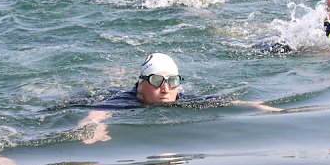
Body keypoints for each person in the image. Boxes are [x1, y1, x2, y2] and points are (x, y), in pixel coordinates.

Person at [77, 53, 279, 143]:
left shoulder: (182, 98)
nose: (165, 88)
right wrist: (95, 126)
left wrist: (261, 107)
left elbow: (226, 101)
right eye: (157, 81)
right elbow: (99, 111)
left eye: (172, 81)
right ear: (141, 86)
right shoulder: (127, 100)